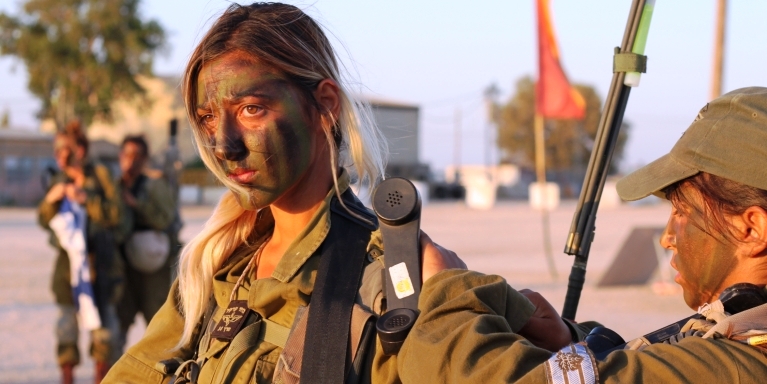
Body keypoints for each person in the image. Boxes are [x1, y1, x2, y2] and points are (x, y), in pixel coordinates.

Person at [391, 87, 767, 383]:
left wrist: (447, 291)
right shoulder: (739, 327)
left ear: (751, 227)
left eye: (682, 211)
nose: (668, 236)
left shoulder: (738, 363)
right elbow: (648, 366)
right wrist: (572, 343)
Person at [38, 121, 124, 384]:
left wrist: (87, 200)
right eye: (58, 149)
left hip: (101, 263)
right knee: (65, 325)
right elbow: (44, 221)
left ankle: (101, 377)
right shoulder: (58, 178)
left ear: (82, 150)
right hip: (68, 267)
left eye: (67, 149)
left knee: (104, 330)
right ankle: (67, 375)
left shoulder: (101, 175)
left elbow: (118, 215)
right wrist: (52, 200)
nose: (61, 155)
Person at [114, 135, 178, 357]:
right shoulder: (114, 186)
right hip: (123, 267)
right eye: (127, 154)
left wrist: (138, 206)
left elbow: (166, 219)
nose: (131, 160)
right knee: (117, 327)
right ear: (120, 156)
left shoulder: (154, 185)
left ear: (145, 159)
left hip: (154, 267)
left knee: (159, 327)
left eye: (137, 155)